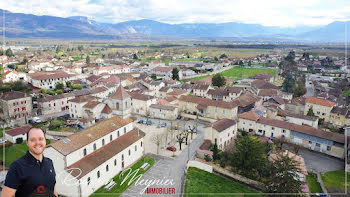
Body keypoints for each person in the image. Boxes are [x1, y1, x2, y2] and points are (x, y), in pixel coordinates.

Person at [2, 127, 57, 197]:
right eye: (33, 140)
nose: (37, 143)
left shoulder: (49, 162)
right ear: (27, 143)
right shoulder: (17, 166)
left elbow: (53, 187)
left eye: (41, 139)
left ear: (45, 141)